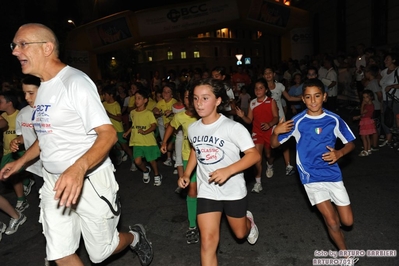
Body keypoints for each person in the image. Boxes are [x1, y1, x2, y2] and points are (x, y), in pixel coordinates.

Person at [0, 23, 153, 266]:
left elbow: (108, 134)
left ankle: (135, 237)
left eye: (22, 44)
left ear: (47, 48)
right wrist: (21, 161)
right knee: (60, 253)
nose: (15, 51)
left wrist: (78, 168)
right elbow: (47, 136)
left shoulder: (76, 82)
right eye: (14, 45)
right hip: (53, 182)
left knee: (101, 252)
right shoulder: (44, 88)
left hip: (89, 179)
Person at [271, 78, 358, 264]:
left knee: (347, 221)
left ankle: (338, 232)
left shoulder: (333, 119)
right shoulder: (297, 121)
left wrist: (340, 153)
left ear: (324, 97)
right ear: (303, 99)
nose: (313, 101)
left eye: (317, 96)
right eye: (308, 97)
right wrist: (276, 132)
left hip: (333, 175)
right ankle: (345, 254)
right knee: (332, 221)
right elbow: (274, 144)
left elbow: (351, 143)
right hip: (310, 177)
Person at [178, 78, 260, 266]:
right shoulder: (193, 129)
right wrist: (186, 174)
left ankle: (249, 221)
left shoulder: (232, 128)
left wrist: (228, 170)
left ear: (218, 101)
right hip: (207, 190)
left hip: (232, 191)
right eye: (196, 98)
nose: (199, 103)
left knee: (240, 234)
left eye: (205, 98)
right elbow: (195, 151)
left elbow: (254, 155)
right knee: (207, 243)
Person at [160, 87, 199, 244]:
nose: (190, 100)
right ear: (183, 100)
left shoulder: (204, 115)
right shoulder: (180, 116)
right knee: (192, 191)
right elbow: (171, 125)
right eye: (187, 97)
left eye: (193, 97)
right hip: (187, 157)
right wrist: (164, 142)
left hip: (206, 158)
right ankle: (192, 226)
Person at [236, 78, 279, 193]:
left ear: (266, 90)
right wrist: (242, 116)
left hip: (269, 131)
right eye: (256, 88)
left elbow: (276, 118)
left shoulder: (271, 101)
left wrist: (269, 124)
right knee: (257, 158)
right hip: (257, 132)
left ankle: (270, 165)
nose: (258, 90)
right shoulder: (252, 103)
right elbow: (249, 120)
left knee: (268, 154)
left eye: (261, 88)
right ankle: (258, 183)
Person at [263, 67, 300, 176]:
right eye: (266, 73)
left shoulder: (279, 86)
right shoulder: (261, 87)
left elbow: (289, 98)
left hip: (280, 118)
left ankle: (288, 166)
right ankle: (270, 164)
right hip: (267, 118)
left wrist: (304, 98)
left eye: (270, 72)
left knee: (284, 141)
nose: (268, 75)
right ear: (263, 76)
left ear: (274, 74)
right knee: (269, 144)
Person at [0, 90, 32, 212]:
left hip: (20, 151)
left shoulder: (21, 115)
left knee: (11, 174)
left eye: (1, 101)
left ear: (9, 103)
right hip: (7, 152)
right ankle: (26, 180)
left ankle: (21, 199)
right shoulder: (2, 116)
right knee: (9, 174)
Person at [10, 75, 44, 191]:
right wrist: (18, 140)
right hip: (34, 165)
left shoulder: (53, 112)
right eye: (24, 93)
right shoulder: (23, 113)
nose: (26, 97)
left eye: (31, 93)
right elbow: (24, 135)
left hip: (53, 166)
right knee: (42, 196)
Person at [124, 89, 162, 186]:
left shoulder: (148, 113)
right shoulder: (133, 113)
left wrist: (145, 132)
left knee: (151, 160)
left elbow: (153, 126)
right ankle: (145, 170)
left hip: (148, 141)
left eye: (139, 98)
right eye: (135, 98)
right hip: (137, 141)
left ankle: (157, 175)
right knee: (137, 161)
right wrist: (128, 132)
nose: (136, 100)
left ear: (145, 100)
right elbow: (134, 125)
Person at [102, 84, 134, 168]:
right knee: (112, 146)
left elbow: (119, 118)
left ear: (111, 95)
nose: (104, 96)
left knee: (125, 147)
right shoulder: (104, 104)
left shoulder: (116, 105)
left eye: (105, 94)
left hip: (118, 130)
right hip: (108, 129)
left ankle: (133, 161)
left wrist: (109, 114)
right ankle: (121, 154)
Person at [153, 82, 178, 166]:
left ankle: (176, 156)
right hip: (166, 127)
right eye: (164, 91)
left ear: (172, 94)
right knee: (166, 144)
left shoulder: (174, 102)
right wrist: (156, 110)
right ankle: (170, 159)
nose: (165, 93)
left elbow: (180, 112)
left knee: (170, 146)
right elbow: (156, 108)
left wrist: (172, 112)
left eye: (168, 91)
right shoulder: (161, 102)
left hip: (175, 128)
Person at [379, 53, 399, 147]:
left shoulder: (398, 70)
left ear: (393, 60)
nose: (385, 61)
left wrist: (391, 86)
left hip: (394, 99)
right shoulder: (384, 72)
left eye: (387, 59)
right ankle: (389, 139)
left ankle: (395, 139)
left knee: (395, 120)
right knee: (385, 119)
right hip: (385, 99)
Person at [353, 90, 376, 156]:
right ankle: (368, 149)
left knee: (363, 137)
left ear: (371, 97)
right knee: (367, 136)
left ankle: (365, 150)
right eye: (364, 97)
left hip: (365, 121)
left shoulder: (367, 106)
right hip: (368, 121)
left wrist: (362, 105)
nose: (365, 99)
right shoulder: (371, 104)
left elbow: (362, 113)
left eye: (367, 97)